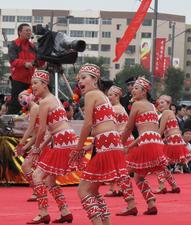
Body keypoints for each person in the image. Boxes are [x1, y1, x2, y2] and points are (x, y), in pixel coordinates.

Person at [70, 64, 137, 225]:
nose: (80, 81)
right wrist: (90, 146)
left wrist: (78, 148)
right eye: (79, 78)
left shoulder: (92, 94)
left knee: (83, 190)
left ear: (95, 80)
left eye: (84, 77)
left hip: (106, 144)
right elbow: (103, 126)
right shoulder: (103, 96)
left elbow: (88, 125)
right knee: (93, 190)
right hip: (110, 143)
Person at [27, 70, 76, 224]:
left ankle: (43, 213)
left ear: (44, 84)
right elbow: (51, 131)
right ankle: (65, 211)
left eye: (36, 83)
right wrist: (40, 147)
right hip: (67, 137)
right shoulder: (54, 99)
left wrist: (35, 149)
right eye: (32, 83)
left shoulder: (44, 102)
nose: (33, 86)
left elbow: (42, 130)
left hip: (61, 139)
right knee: (50, 180)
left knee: (36, 176)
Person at [121, 77, 168, 215]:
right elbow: (147, 132)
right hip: (155, 142)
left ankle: (130, 205)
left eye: (136, 88)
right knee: (138, 176)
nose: (133, 91)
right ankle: (151, 202)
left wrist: (120, 144)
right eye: (133, 88)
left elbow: (129, 128)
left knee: (123, 172)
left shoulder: (137, 105)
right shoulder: (152, 106)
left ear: (144, 92)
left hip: (147, 142)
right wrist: (130, 146)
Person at [155, 95, 191, 193]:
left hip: (172, 142)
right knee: (163, 165)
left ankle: (162, 186)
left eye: (162, 102)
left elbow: (161, 130)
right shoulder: (170, 113)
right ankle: (174, 185)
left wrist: (152, 139)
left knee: (159, 163)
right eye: (158, 103)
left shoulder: (166, 113)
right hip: (174, 141)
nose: (159, 104)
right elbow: (171, 130)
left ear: (168, 104)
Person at [105, 85, 135, 197]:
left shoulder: (114, 109)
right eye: (108, 95)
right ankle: (118, 188)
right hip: (124, 139)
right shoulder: (121, 108)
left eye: (110, 95)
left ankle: (116, 188)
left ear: (117, 96)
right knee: (118, 167)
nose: (108, 97)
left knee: (116, 166)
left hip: (120, 140)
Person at [8, 23, 43, 114]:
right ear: (20, 32)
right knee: (16, 104)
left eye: (30, 30)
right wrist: (25, 63)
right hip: (18, 80)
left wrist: (43, 61)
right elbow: (13, 61)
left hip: (31, 81)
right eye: (26, 30)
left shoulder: (33, 46)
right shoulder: (14, 44)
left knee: (30, 104)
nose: (29, 32)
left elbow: (37, 62)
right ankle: (9, 124)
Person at [15, 89, 40, 202]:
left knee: (27, 166)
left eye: (22, 97)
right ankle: (38, 191)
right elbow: (35, 135)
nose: (21, 100)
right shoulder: (32, 110)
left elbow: (31, 130)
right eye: (19, 99)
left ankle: (38, 192)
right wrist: (25, 147)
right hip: (40, 142)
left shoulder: (35, 108)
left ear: (30, 95)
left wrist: (22, 143)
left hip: (44, 143)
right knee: (27, 166)